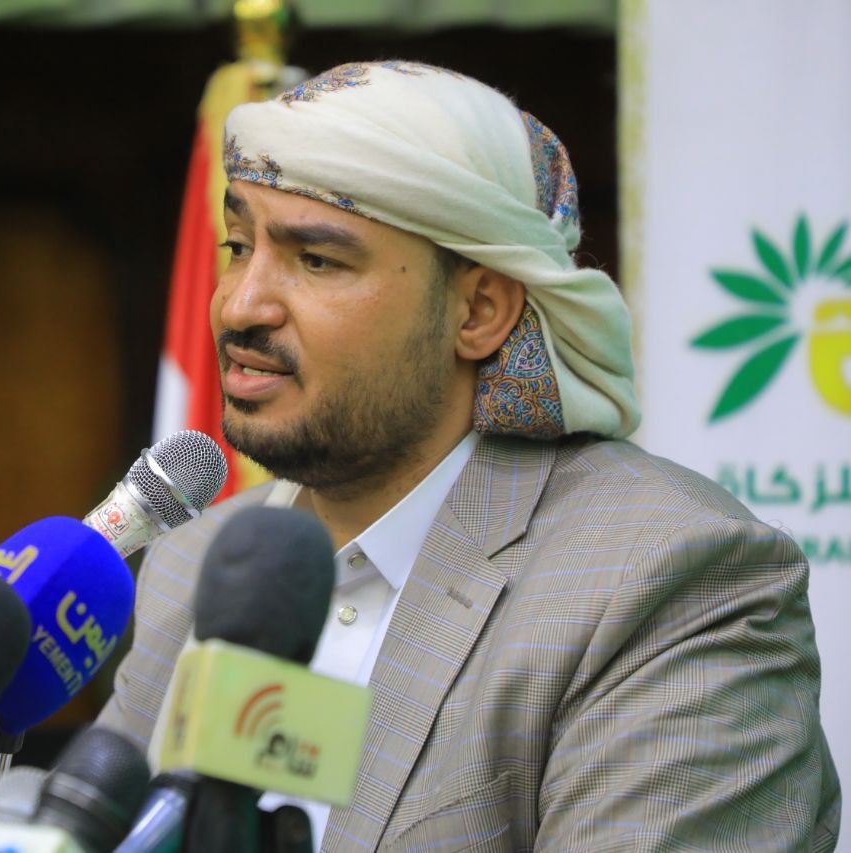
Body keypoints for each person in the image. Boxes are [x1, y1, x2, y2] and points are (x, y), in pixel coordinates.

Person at [98, 61, 840, 851]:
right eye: (239, 245)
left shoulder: (664, 582)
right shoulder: (197, 561)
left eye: (317, 259)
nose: (241, 304)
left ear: (479, 311)